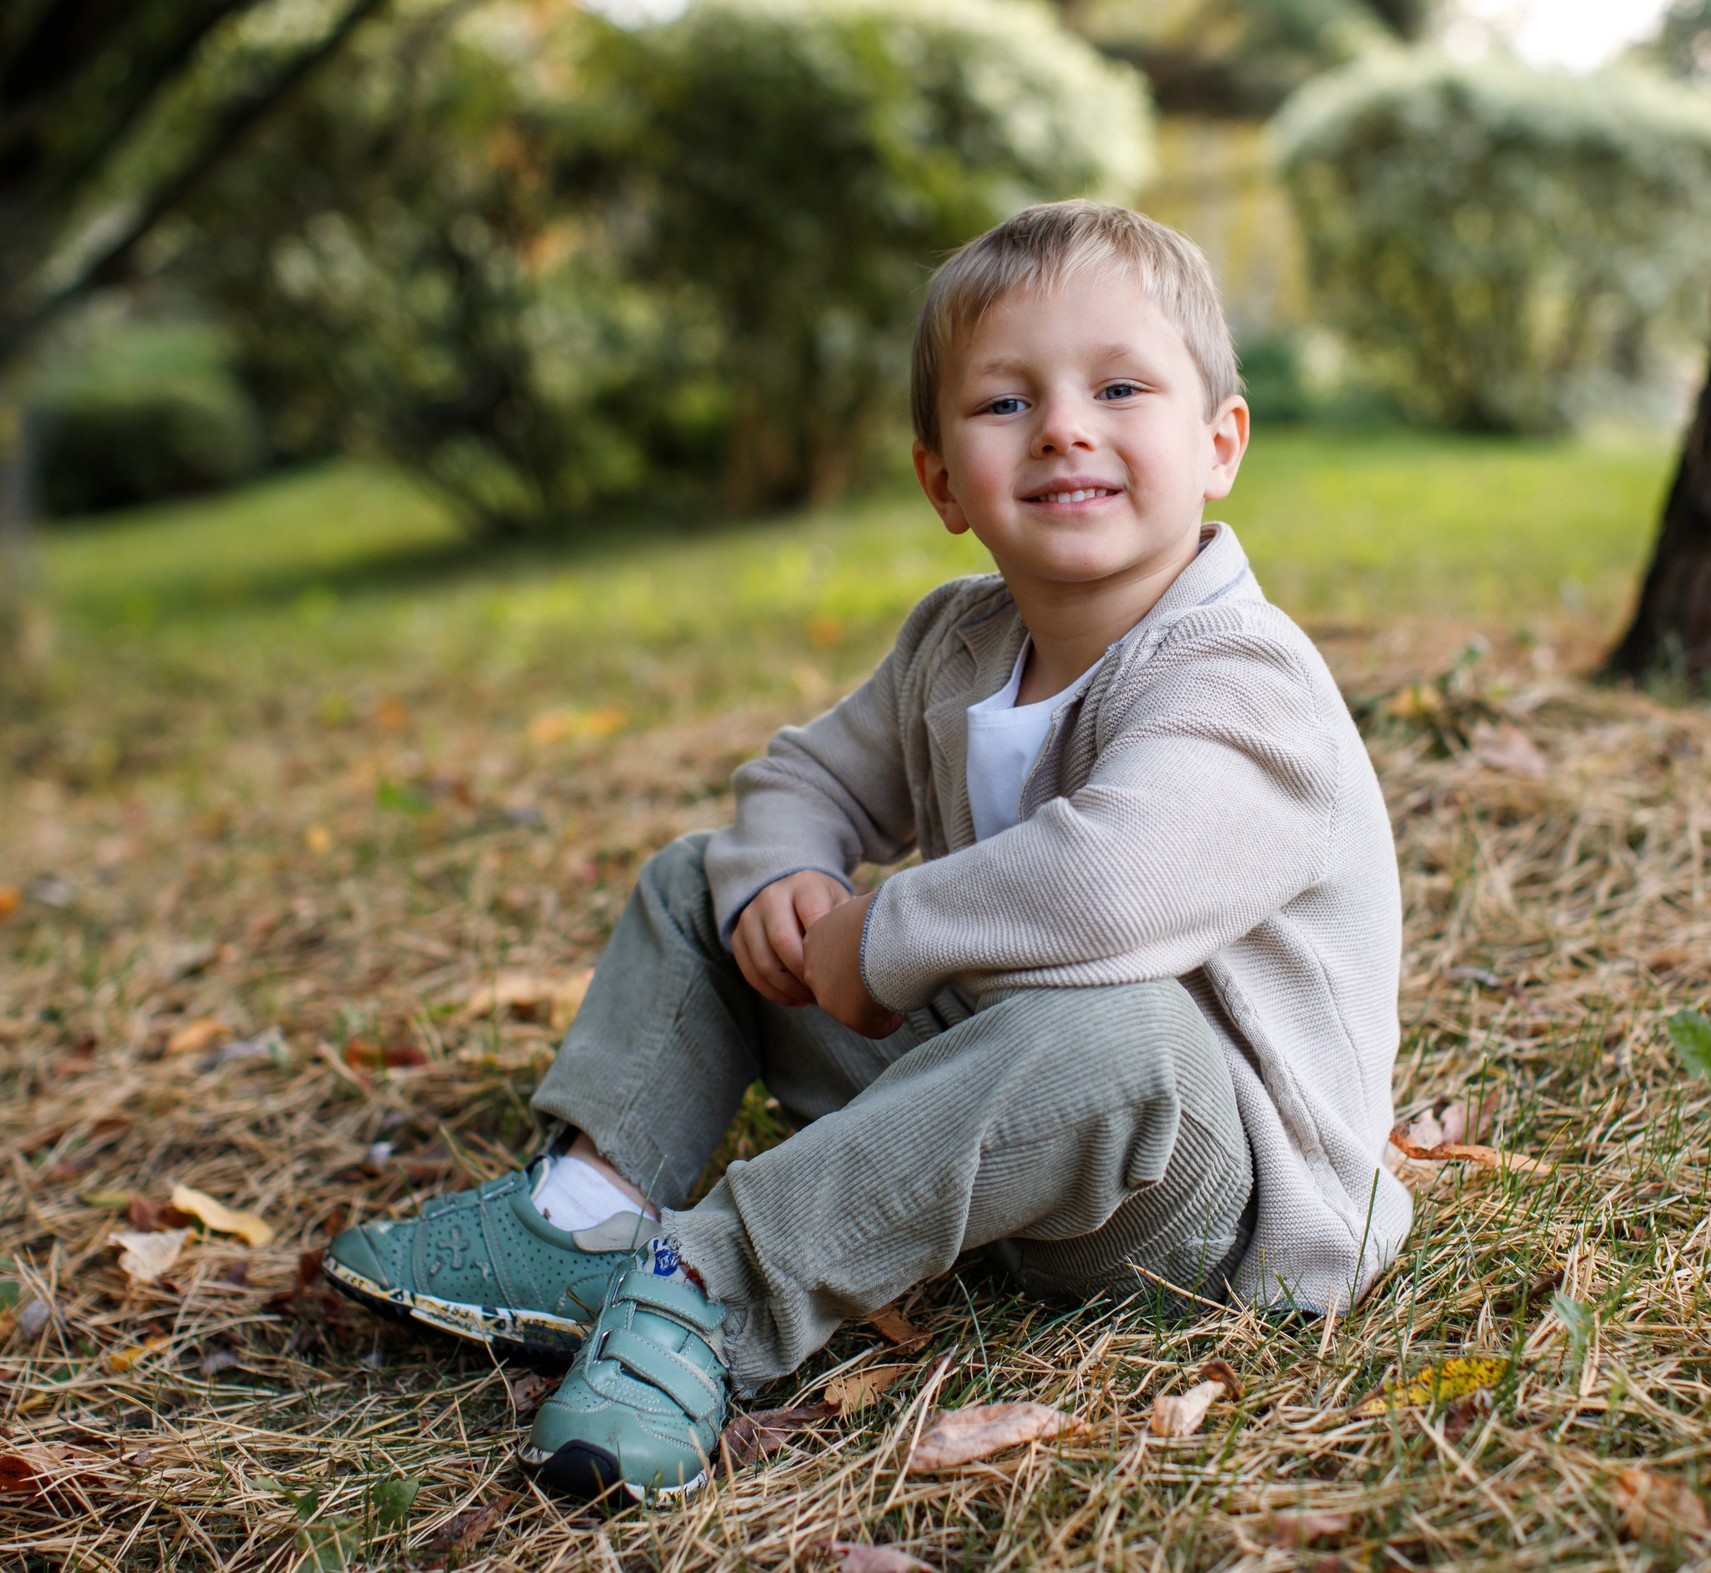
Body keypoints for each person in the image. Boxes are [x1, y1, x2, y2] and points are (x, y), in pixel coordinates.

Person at [322, 199, 1410, 1500]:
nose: (1066, 425)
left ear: (1219, 442)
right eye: (1007, 404)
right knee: (704, 884)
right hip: (982, 1123)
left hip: (1193, 1191)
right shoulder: (958, 642)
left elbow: (1114, 885)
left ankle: (709, 1292)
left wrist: (878, 935)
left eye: (1121, 386)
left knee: (1121, 1036)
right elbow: (802, 778)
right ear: (943, 480)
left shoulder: (1244, 674)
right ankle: (592, 1213)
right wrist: (792, 887)